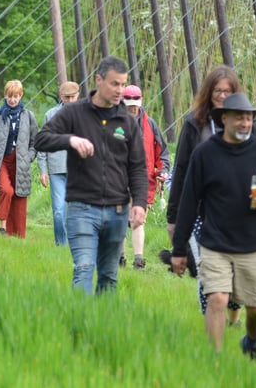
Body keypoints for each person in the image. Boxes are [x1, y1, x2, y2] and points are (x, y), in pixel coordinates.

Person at [171, 93, 256, 358]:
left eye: (249, 117)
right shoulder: (205, 154)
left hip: (252, 244)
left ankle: (251, 341)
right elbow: (188, 202)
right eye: (239, 117)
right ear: (224, 119)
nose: (245, 122)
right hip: (215, 242)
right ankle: (216, 360)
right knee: (217, 299)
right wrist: (178, 249)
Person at [34, 56, 148, 294]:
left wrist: (139, 203)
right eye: (114, 84)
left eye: (123, 85)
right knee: (84, 268)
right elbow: (41, 139)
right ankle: (78, 325)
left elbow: (137, 166)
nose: (120, 91)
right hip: (82, 208)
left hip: (117, 211)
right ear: (98, 80)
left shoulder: (127, 122)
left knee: (108, 276)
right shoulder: (75, 113)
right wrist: (70, 140)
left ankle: (101, 328)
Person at [166, 65, 247, 322]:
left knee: (236, 273)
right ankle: (212, 323)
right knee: (207, 271)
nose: (222, 96)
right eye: (217, 91)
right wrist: (173, 217)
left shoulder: (245, 123)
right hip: (201, 211)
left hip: (236, 213)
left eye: (228, 91)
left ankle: (233, 308)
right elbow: (180, 171)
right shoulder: (194, 124)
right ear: (208, 92)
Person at [119, 84, 170, 270]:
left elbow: (161, 152)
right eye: (129, 104)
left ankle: (139, 259)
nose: (132, 108)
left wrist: (163, 170)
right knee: (121, 221)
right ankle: (120, 257)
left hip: (144, 181)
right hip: (118, 181)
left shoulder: (150, 124)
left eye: (135, 104)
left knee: (138, 220)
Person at [0, 80, 38, 238]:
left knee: (20, 195)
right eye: (9, 96)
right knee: (6, 190)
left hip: (20, 161)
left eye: (16, 96)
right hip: (2, 160)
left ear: (21, 96)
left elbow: (35, 142)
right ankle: (2, 227)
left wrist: (28, 158)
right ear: (5, 96)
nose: (12, 100)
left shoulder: (28, 116)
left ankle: (16, 234)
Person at [37, 81, 80, 246]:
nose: (69, 100)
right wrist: (43, 169)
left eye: (73, 97)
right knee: (59, 210)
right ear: (61, 96)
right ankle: (60, 243)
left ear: (78, 96)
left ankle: (72, 243)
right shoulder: (51, 115)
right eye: (66, 97)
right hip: (56, 170)